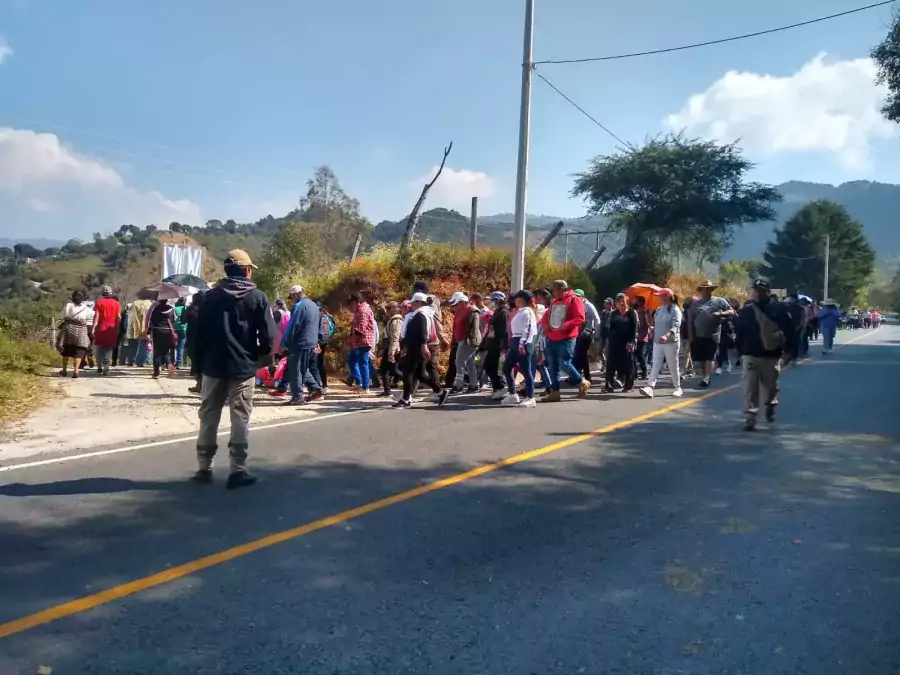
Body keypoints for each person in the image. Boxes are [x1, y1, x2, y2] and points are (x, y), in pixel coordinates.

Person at [192, 249, 275, 489]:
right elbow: (268, 336)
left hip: (212, 366)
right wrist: (262, 360)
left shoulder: (209, 297)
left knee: (208, 416)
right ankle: (237, 470)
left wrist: (197, 367)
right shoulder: (258, 297)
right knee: (240, 418)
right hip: (243, 367)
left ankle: (203, 468)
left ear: (226, 271)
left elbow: (199, 336)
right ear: (247, 271)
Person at [735, 279, 793, 431]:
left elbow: (789, 331)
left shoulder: (779, 310)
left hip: (771, 355)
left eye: (761, 290)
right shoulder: (746, 311)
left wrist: (789, 351)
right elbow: (740, 332)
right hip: (751, 355)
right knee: (750, 387)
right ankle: (750, 417)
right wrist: (740, 352)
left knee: (771, 386)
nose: (757, 293)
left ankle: (770, 405)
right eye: (755, 290)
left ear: (768, 292)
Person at [393, 292, 449, 409]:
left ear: (418, 302)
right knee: (421, 374)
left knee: (408, 372)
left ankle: (406, 398)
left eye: (413, 302)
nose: (411, 305)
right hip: (415, 346)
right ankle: (440, 391)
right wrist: (406, 347)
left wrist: (424, 346)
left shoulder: (421, 314)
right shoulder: (419, 313)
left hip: (417, 347)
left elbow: (423, 332)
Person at [274, 285, 324, 405]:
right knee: (303, 368)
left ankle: (297, 397)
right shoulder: (314, 306)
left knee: (294, 369)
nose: (292, 300)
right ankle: (316, 389)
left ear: (296, 294)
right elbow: (319, 325)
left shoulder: (299, 306)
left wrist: (284, 342)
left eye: (291, 297)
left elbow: (293, 325)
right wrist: (317, 341)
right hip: (311, 343)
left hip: (299, 342)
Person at [540, 280, 589, 402]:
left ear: (561, 289)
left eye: (554, 289)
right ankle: (555, 391)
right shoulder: (554, 301)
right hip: (552, 337)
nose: (552, 292)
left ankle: (581, 381)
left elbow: (580, 318)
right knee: (553, 366)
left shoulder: (574, 299)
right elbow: (547, 316)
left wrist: (565, 325)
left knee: (564, 363)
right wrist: (545, 326)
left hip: (567, 338)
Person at [687, 280, 734, 388]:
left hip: (713, 334)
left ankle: (707, 377)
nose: (707, 291)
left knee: (710, 357)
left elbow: (731, 312)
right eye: (705, 289)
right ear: (701, 290)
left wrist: (721, 313)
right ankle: (705, 376)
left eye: (709, 289)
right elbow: (690, 320)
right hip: (699, 335)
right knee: (701, 359)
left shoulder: (719, 301)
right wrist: (690, 336)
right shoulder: (695, 305)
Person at [639, 288, 683, 398]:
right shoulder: (658, 309)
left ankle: (677, 387)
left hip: (671, 342)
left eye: (660, 296)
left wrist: (667, 335)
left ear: (667, 297)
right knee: (656, 364)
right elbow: (657, 323)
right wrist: (653, 329)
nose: (658, 297)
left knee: (673, 365)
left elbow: (676, 325)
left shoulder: (675, 310)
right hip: (657, 342)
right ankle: (650, 387)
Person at [502, 290, 538, 407]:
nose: (515, 300)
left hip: (523, 342)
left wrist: (522, 344)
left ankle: (530, 397)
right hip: (515, 341)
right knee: (507, 368)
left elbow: (528, 329)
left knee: (526, 371)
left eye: (517, 298)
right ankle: (513, 393)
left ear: (522, 299)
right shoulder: (520, 311)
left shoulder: (528, 312)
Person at [604, 293, 638, 393]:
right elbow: (609, 327)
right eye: (618, 301)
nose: (620, 303)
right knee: (610, 364)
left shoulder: (632, 313)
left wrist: (631, 342)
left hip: (627, 342)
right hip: (614, 341)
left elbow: (634, 328)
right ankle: (609, 385)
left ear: (626, 302)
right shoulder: (614, 314)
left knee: (628, 364)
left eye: (622, 301)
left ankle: (628, 385)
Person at [450, 293, 483, 394]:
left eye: (456, 304)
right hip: (461, 340)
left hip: (468, 341)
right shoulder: (459, 311)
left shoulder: (472, 310)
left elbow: (475, 327)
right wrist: (453, 339)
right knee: (470, 363)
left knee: (459, 362)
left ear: (462, 302)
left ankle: (458, 385)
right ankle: (474, 385)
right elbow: (456, 326)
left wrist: (469, 339)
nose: (454, 307)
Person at [57, 290, 92, 378]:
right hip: (81, 332)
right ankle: (76, 372)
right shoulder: (86, 308)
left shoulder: (68, 306)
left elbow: (62, 316)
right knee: (79, 351)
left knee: (66, 350)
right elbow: (90, 316)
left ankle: (64, 371)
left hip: (69, 330)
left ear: (72, 298)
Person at [347, 293, 376, 394]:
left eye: (351, 304)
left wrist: (353, 336)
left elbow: (361, 329)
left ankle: (365, 387)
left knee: (363, 363)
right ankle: (360, 382)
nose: (350, 306)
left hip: (363, 341)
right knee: (353, 360)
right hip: (358, 341)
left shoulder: (363, 310)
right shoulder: (359, 310)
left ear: (355, 301)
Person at [483, 291, 509, 399]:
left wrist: (503, 347)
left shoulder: (504, 312)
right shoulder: (497, 311)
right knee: (489, 366)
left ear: (498, 300)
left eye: (492, 300)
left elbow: (505, 331)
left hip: (498, 344)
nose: (491, 302)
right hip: (492, 343)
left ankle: (500, 387)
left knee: (494, 367)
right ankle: (496, 388)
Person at [92, 285, 121, 376]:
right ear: (111, 293)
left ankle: (99, 367)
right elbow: (119, 317)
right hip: (111, 327)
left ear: (102, 294)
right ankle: (106, 366)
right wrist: (117, 326)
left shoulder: (99, 302)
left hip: (101, 327)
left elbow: (96, 317)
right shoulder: (116, 303)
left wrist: (93, 328)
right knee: (108, 349)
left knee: (99, 348)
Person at [572, 289, 599, 385]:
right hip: (579, 333)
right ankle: (581, 376)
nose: (576, 298)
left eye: (578, 296)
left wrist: (596, 334)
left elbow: (597, 319)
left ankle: (579, 377)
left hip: (587, 333)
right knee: (580, 356)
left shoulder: (588, 305)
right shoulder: (577, 305)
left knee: (581, 355)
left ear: (583, 296)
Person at [378, 301, 403, 397]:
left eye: (388, 308)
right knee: (387, 369)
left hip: (393, 349)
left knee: (393, 370)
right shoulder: (391, 320)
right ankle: (387, 390)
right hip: (389, 348)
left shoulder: (396, 321)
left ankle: (411, 381)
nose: (386, 311)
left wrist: (391, 351)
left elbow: (395, 337)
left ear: (393, 309)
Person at [148, 298, 178, 379]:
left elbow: (151, 321)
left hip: (157, 330)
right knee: (166, 351)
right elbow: (175, 319)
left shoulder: (156, 309)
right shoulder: (171, 309)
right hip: (167, 331)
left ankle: (156, 372)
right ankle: (169, 364)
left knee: (157, 352)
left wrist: (148, 332)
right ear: (167, 301)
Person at [184, 290, 206, 393]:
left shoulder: (190, 310)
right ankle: (201, 385)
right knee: (201, 362)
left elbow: (183, 320)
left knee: (195, 362)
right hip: (205, 339)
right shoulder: (208, 309)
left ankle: (200, 384)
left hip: (192, 339)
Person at [129, 298, 153, 367]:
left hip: (135, 327)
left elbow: (132, 317)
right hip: (146, 327)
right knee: (144, 345)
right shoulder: (150, 303)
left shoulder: (135, 303)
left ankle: (134, 361)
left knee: (135, 346)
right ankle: (141, 361)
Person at [633, 296, 651, 380]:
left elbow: (648, 322)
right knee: (633, 355)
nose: (635, 302)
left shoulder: (645, 311)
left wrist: (650, 326)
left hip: (643, 336)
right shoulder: (634, 311)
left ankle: (644, 372)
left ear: (640, 302)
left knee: (640, 355)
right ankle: (634, 374)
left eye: (636, 301)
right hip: (635, 336)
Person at [173, 297, 189, 368]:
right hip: (184, 329)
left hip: (175, 328)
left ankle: (171, 361)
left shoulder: (174, 309)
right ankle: (179, 363)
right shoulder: (186, 309)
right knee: (181, 347)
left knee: (173, 346)